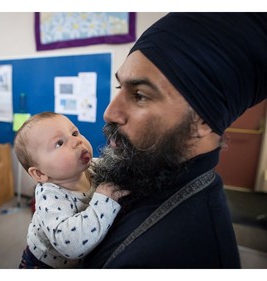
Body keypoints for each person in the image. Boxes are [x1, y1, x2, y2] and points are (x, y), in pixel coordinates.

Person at [81, 13, 267, 269]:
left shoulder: (176, 257)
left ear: (202, 120)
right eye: (119, 88)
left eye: (140, 95)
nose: (110, 113)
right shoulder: (147, 171)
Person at [14, 112, 126, 268]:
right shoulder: (50, 197)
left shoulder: (92, 167)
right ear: (40, 173)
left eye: (74, 133)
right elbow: (72, 245)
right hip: (44, 266)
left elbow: (117, 169)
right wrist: (104, 198)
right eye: (59, 143)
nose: (77, 141)